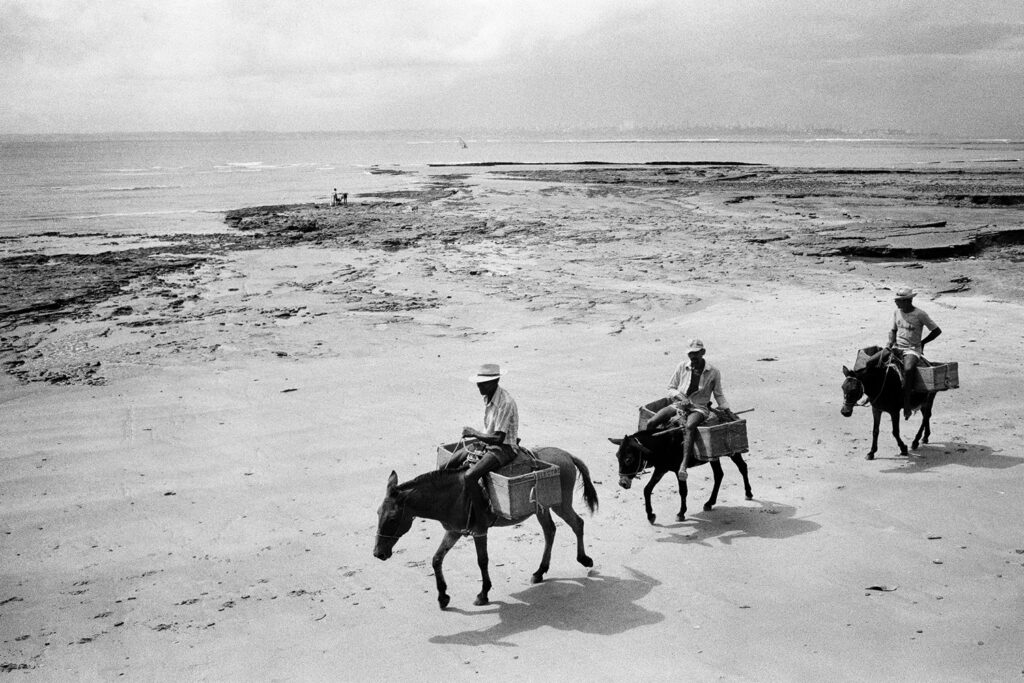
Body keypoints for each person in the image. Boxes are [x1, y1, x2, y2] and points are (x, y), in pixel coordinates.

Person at [646, 339, 732, 479]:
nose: (693, 357)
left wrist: (726, 409)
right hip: (679, 405)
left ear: (703, 352)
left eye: (696, 353)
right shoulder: (682, 366)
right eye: (690, 354)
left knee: (690, 426)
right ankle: (647, 455)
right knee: (651, 422)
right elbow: (671, 388)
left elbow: (718, 394)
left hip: (699, 408)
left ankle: (683, 466)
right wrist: (680, 397)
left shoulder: (713, 372)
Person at [461, 363, 520, 485]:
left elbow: (499, 438)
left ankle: (479, 505)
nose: (479, 386)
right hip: (488, 442)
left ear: (495, 381)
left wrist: (474, 433)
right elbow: (490, 430)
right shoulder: (488, 396)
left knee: (469, 476)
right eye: (479, 382)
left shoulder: (506, 403)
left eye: (483, 383)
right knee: (448, 464)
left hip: (505, 448)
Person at [887, 287, 942, 418]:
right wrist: (890, 343)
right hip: (897, 347)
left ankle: (906, 405)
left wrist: (922, 343)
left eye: (899, 301)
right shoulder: (896, 312)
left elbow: (936, 331)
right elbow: (893, 330)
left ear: (907, 301)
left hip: (912, 350)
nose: (896, 302)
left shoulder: (920, 314)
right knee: (874, 362)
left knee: (908, 369)